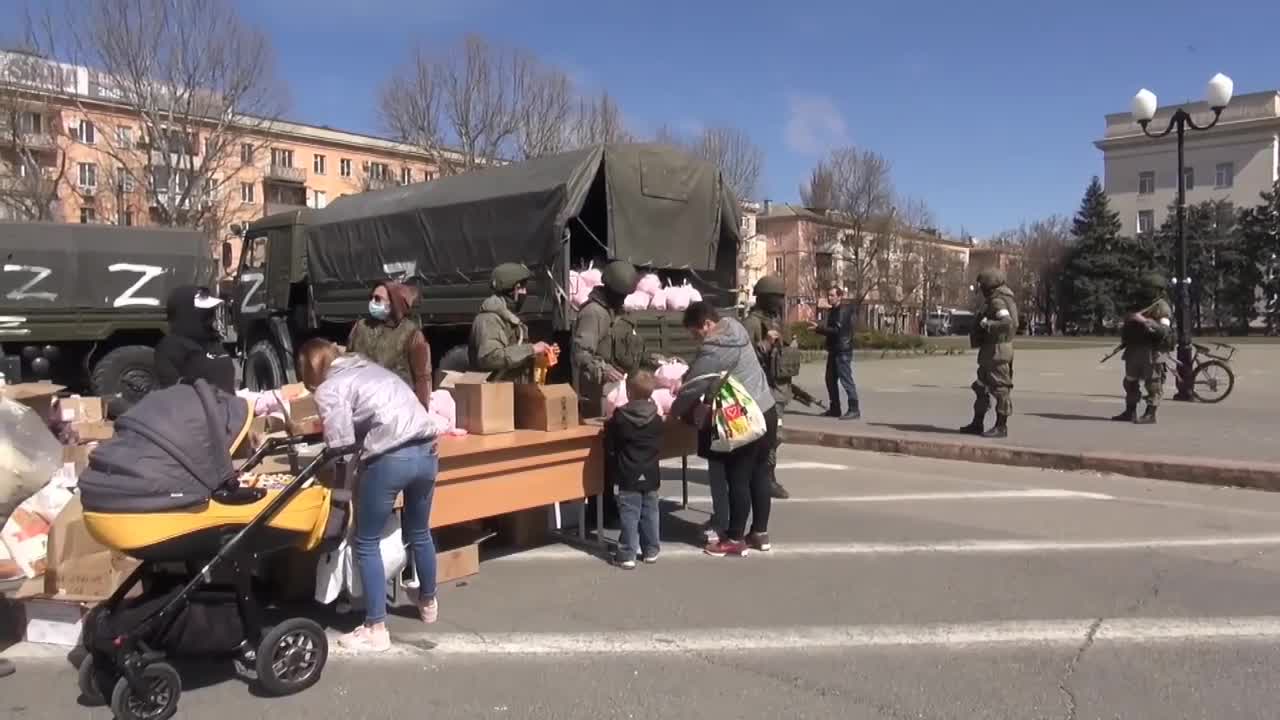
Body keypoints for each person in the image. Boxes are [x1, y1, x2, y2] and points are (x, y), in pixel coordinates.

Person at [298, 338, 444, 654]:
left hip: (390, 458)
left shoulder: (330, 388)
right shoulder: (372, 369)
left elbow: (341, 445)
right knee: (420, 530)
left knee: (366, 541)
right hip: (427, 450)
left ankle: (376, 627)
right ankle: (428, 602)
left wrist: (343, 487)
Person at [672, 301, 777, 557]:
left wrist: (674, 411)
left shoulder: (714, 349)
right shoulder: (735, 327)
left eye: (696, 333)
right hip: (767, 411)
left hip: (743, 420)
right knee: (760, 475)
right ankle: (759, 534)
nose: (697, 340)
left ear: (707, 325)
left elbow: (695, 385)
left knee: (737, 479)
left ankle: (733, 538)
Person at [571, 260, 655, 416]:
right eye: (619, 294)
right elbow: (581, 354)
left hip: (623, 393)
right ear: (609, 289)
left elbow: (628, 348)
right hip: (602, 395)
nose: (623, 298)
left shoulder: (619, 313)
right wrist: (604, 370)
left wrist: (651, 359)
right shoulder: (594, 313)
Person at [742, 275, 798, 499]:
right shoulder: (752, 323)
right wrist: (765, 344)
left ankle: (762, 473)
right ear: (765, 298)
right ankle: (767, 477)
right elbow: (745, 355)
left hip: (779, 388)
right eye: (777, 298)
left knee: (774, 436)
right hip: (762, 389)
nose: (781, 302)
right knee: (771, 436)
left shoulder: (776, 320)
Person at [604, 370, 665, 569]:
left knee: (630, 513)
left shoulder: (620, 417)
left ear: (628, 392)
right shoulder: (656, 419)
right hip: (650, 472)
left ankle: (627, 552)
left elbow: (610, 441)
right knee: (650, 511)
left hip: (628, 472)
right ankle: (651, 549)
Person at [348, 282, 433, 409]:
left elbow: (422, 377)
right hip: (362, 404)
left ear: (393, 303)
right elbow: (348, 363)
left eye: (377, 299)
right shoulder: (360, 327)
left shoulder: (411, 333)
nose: (372, 302)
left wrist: (422, 409)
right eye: (371, 298)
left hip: (397, 407)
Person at [469, 263, 552, 382]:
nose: (525, 292)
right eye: (521, 287)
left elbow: (514, 353)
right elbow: (489, 358)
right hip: (494, 393)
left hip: (510, 390)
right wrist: (531, 349)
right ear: (512, 289)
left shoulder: (509, 317)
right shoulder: (488, 319)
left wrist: (541, 354)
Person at [960, 269, 1018, 438]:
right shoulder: (996, 299)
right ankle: (977, 423)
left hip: (997, 352)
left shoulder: (997, 302)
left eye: (982, 285)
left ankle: (1001, 427)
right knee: (981, 387)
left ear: (989, 285)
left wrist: (988, 324)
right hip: (990, 351)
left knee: (1000, 389)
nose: (980, 289)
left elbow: (1007, 323)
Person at [1114, 274, 1173, 425]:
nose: (1146, 291)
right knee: (1130, 381)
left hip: (1151, 351)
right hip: (1134, 349)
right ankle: (1130, 411)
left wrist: (1145, 321)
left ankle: (1150, 413)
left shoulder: (1161, 307)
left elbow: (1164, 331)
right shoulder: (1139, 304)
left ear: (1157, 290)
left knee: (1153, 383)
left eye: (1149, 289)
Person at [154, 285, 235, 394]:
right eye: (204, 312)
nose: (210, 317)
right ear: (186, 313)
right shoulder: (170, 348)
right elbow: (175, 394)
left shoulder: (212, 342)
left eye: (209, 312)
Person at [810, 286, 860, 420]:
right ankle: (835, 408)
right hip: (834, 350)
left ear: (839, 296)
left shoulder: (842, 311)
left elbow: (837, 330)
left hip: (842, 350)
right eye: (829, 295)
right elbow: (831, 328)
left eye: (832, 295)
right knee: (830, 379)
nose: (829, 298)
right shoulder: (833, 310)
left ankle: (854, 409)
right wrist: (820, 327)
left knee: (846, 380)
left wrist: (819, 329)